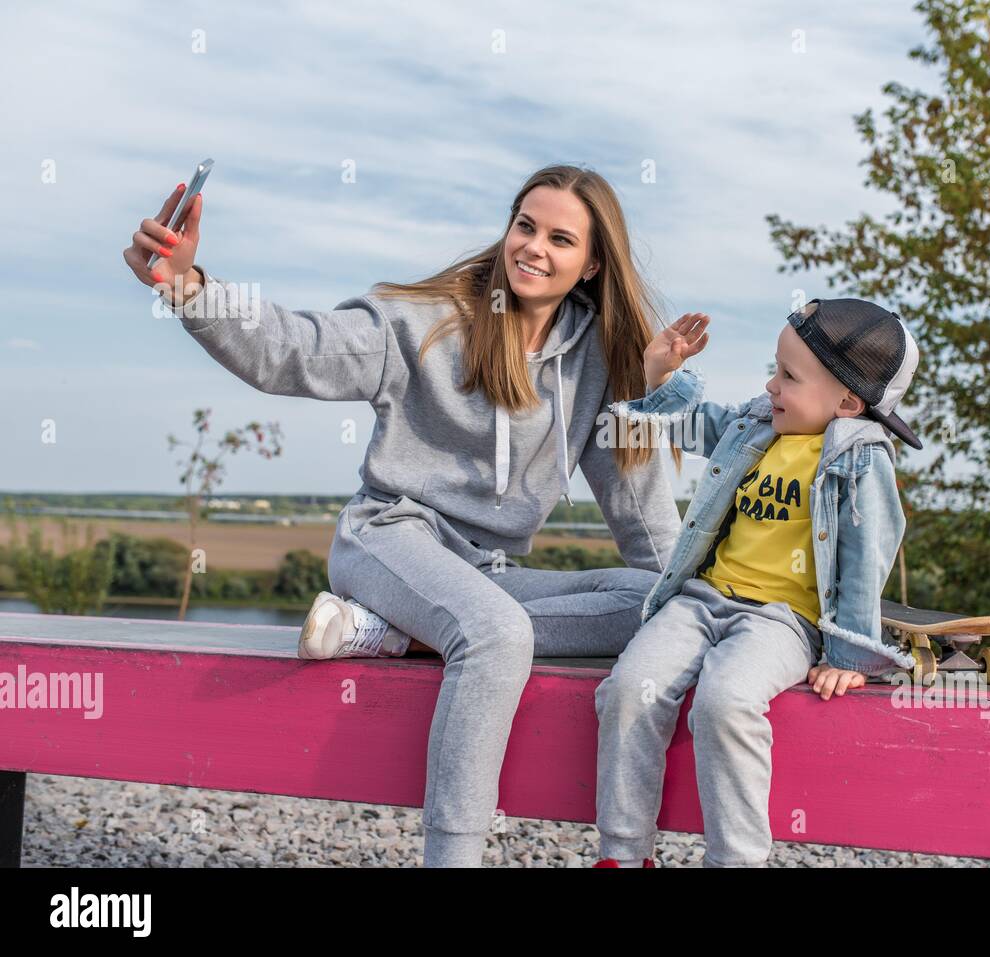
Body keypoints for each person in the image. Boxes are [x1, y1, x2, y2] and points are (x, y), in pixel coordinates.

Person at [123, 165, 684, 867]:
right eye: (525, 226)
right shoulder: (424, 322)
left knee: (658, 604)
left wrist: (719, 615)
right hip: (389, 540)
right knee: (496, 636)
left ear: (593, 262)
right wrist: (188, 285)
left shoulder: (599, 361)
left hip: (488, 572)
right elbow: (291, 350)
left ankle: (400, 635)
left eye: (560, 238)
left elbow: (644, 512)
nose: (533, 247)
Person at [592, 299, 921, 867]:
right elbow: (689, 424)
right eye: (774, 367)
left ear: (846, 401)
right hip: (701, 600)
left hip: (780, 621)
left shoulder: (859, 460)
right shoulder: (757, 424)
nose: (771, 384)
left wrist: (847, 653)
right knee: (628, 689)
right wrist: (661, 376)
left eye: (789, 376)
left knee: (724, 704)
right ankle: (622, 854)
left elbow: (866, 556)